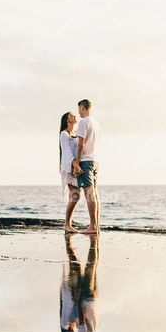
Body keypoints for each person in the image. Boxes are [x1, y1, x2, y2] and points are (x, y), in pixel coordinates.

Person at [72, 99, 100, 234]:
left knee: (89, 194)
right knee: (94, 193)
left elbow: (80, 145)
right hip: (95, 161)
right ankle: (96, 226)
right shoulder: (96, 123)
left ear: (83, 108)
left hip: (86, 161)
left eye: (79, 109)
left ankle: (93, 227)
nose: (78, 112)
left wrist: (76, 163)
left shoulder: (83, 122)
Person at [59, 112, 80, 233]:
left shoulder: (74, 134)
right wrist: (75, 164)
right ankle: (67, 224)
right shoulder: (64, 134)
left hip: (76, 168)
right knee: (76, 195)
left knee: (74, 195)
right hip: (69, 167)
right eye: (72, 116)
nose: (75, 117)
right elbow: (67, 152)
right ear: (67, 121)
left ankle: (68, 223)